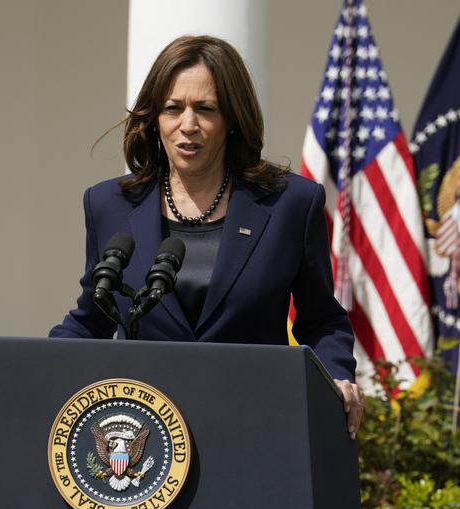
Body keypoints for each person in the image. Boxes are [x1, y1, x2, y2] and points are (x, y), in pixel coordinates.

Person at [50, 35, 364, 437]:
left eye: (205, 109)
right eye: (172, 108)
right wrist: (33, 368)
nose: (188, 126)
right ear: (153, 118)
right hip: (146, 441)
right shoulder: (108, 204)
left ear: (232, 119)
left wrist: (336, 376)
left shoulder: (290, 204)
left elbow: (322, 319)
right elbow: (93, 318)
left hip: (258, 427)